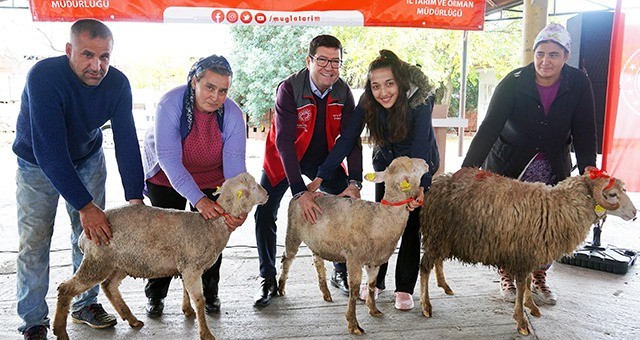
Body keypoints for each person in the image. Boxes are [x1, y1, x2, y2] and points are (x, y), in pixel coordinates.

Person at [12, 19, 145, 339]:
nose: (97, 65)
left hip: (87, 159)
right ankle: (33, 320)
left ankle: (85, 303)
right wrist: (86, 205)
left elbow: (127, 139)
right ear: (69, 50)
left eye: (105, 57)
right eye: (87, 55)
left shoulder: (117, 84)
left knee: (91, 237)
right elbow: (49, 152)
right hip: (37, 164)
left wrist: (135, 197)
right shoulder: (44, 77)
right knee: (34, 241)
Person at [461, 23, 597, 306]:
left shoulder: (579, 83)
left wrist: (589, 170)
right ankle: (507, 273)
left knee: (548, 225)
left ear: (566, 56)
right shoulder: (514, 80)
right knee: (510, 223)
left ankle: (539, 276)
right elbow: (488, 128)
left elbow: (585, 130)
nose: (545, 61)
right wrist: (468, 168)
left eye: (553, 55)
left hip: (552, 164)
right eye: (540, 54)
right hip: (510, 162)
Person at [308, 49, 439, 311]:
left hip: (416, 168)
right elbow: (346, 140)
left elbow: (422, 145)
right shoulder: (368, 102)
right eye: (376, 86)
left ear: (401, 82)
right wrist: (319, 177)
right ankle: (376, 282)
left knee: (410, 223)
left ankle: (404, 287)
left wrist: (420, 187)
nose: (383, 92)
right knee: (382, 223)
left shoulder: (421, 100)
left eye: (389, 84)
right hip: (387, 169)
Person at [253, 34, 363, 308]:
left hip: (321, 160)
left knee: (346, 207)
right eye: (322, 60)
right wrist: (299, 191)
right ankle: (267, 278)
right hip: (285, 157)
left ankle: (340, 271)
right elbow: (284, 142)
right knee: (265, 212)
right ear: (309, 60)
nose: (329, 67)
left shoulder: (343, 91)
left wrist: (354, 182)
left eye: (335, 61)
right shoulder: (289, 88)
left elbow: (351, 140)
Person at [141, 55, 247, 317]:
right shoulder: (170, 103)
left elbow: (235, 170)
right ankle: (156, 295)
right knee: (165, 238)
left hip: (212, 175)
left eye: (223, 90)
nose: (215, 96)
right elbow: (168, 158)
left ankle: (209, 293)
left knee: (213, 234)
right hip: (167, 175)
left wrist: (240, 208)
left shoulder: (232, 114)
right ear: (193, 82)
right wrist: (199, 201)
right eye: (209, 87)